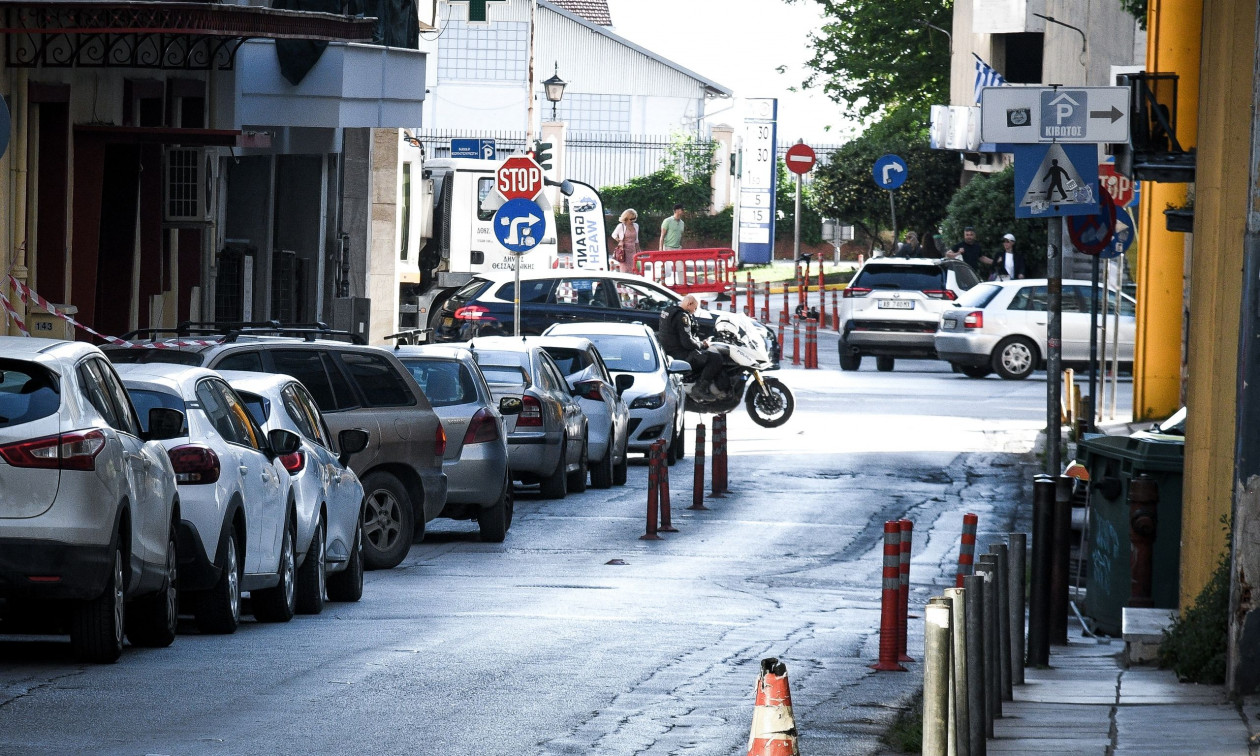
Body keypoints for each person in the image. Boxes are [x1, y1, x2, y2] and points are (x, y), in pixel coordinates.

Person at [658, 294, 722, 399]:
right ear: (689, 304)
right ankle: (700, 388)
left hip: (667, 352)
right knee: (715, 358)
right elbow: (687, 343)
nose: (695, 311)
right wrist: (703, 344)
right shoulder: (682, 316)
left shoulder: (668, 310)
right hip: (680, 355)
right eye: (695, 307)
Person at [610, 209, 641, 273]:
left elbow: (636, 240)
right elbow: (614, 235)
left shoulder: (636, 226)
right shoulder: (621, 226)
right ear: (626, 218)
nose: (633, 221)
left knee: (634, 268)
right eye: (631, 219)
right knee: (625, 269)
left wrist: (639, 251)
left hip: (633, 249)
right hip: (624, 250)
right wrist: (620, 241)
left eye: (634, 219)